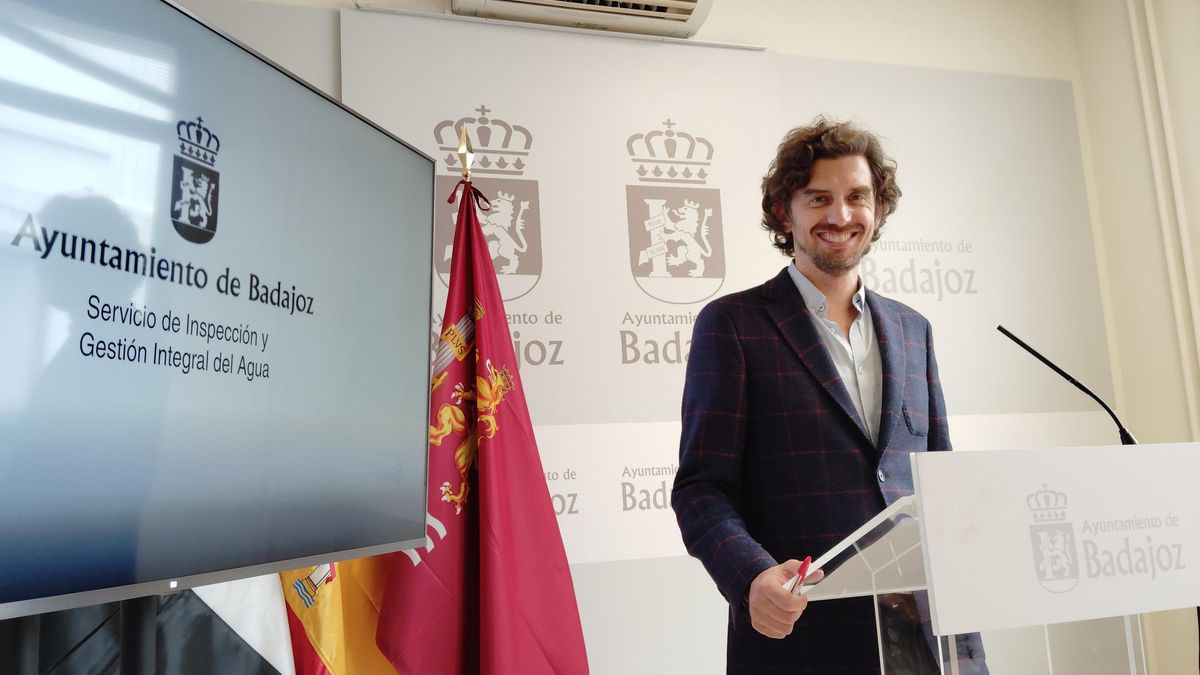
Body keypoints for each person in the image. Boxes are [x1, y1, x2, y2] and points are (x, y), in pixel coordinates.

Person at [671, 117, 987, 674]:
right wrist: (751, 576)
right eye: (819, 198)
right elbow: (701, 490)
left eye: (857, 197)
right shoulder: (733, 325)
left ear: (879, 209)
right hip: (802, 638)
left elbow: (940, 478)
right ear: (782, 212)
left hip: (925, 635)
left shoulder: (914, 329)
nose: (840, 216)